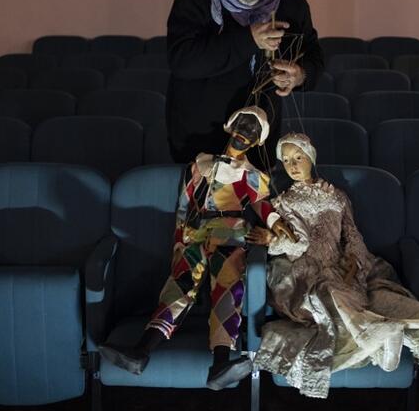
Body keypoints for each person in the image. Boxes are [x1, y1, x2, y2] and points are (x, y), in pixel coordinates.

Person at [247, 133, 419, 399]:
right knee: (327, 296)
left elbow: (352, 234)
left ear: (311, 158)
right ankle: (376, 332)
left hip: (339, 264)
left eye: (298, 157)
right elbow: (296, 245)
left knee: (372, 295)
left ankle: (393, 326)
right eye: (287, 160)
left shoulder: (336, 196)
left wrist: (355, 262)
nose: (292, 165)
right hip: (305, 269)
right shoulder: (283, 203)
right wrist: (272, 239)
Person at [99, 107, 297, 390]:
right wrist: (179, 239)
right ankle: (140, 351)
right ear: (231, 125)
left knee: (228, 291)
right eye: (242, 124)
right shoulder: (201, 163)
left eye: (253, 131)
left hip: (230, 234)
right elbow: (184, 203)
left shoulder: (252, 175)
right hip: (195, 233)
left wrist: (275, 222)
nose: (245, 132)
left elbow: (262, 204)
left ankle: (220, 363)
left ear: (258, 141)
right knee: (178, 287)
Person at [166, 0, 323, 168]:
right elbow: (182, 61)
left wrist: (300, 75)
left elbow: (315, 58)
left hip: (260, 145)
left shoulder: (292, 2)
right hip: (198, 140)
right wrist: (249, 39)